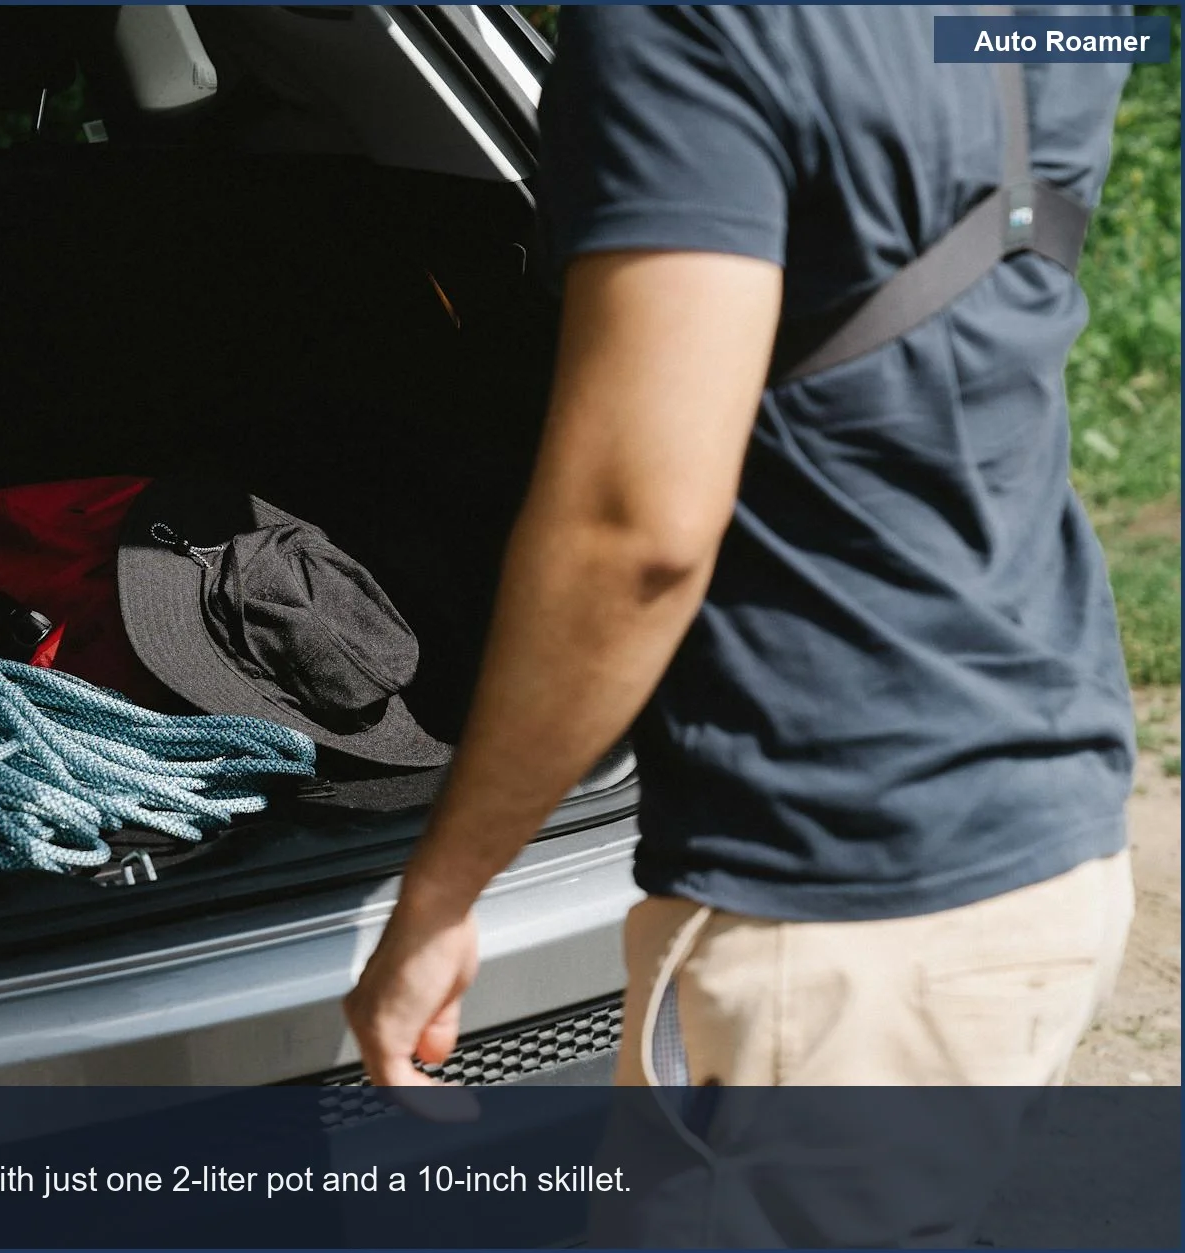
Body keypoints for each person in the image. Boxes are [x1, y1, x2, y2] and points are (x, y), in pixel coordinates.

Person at [343, 4, 1138, 1097]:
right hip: (1052, 819)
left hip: (842, 900)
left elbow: (637, 534)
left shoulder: (676, 20)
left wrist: (439, 895)